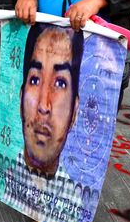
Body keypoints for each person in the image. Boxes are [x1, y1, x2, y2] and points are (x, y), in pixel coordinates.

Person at [12, 0, 130, 222]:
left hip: (101, 42)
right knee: (41, 116)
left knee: (81, 127)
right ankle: (45, 205)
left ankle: (65, 201)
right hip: (44, 36)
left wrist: (99, 0)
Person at [21, 24, 84, 178]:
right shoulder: (7, 178)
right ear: (21, 97)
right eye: (35, 80)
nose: (43, 106)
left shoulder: (75, 198)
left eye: (60, 83)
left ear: (74, 110)